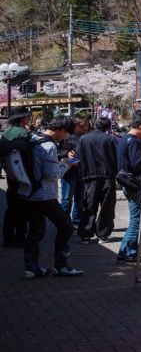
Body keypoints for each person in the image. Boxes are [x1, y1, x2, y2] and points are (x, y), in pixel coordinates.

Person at [23, 115, 83, 278]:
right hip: (45, 195)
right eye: (66, 133)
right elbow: (52, 174)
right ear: (61, 130)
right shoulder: (49, 145)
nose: (66, 137)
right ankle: (61, 265)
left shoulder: (33, 138)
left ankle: (31, 267)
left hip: (29, 192)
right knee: (66, 227)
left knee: (35, 231)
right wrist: (67, 164)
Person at [116, 112, 141, 263]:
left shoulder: (124, 138)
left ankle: (123, 251)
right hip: (134, 184)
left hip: (127, 183)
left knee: (135, 218)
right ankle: (130, 253)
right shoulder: (134, 141)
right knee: (136, 220)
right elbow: (137, 163)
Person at [78, 116, 119, 243]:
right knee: (107, 206)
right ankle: (103, 233)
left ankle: (86, 233)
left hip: (89, 176)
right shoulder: (111, 139)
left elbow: (79, 157)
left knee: (89, 205)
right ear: (108, 127)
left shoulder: (84, 139)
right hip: (108, 176)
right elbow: (118, 157)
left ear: (95, 124)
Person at [2, 108, 33, 249]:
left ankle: (7, 238)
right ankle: (20, 237)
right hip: (22, 175)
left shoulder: (6, 132)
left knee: (11, 207)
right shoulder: (22, 133)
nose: (29, 119)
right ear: (23, 118)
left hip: (10, 173)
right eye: (27, 116)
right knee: (22, 207)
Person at [58, 115, 88, 240]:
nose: (85, 128)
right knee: (66, 199)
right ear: (76, 126)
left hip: (82, 172)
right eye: (82, 126)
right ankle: (65, 222)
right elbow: (58, 152)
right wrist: (67, 153)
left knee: (80, 200)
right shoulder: (67, 138)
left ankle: (76, 222)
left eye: (87, 126)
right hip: (69, 172)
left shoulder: (87, 138)